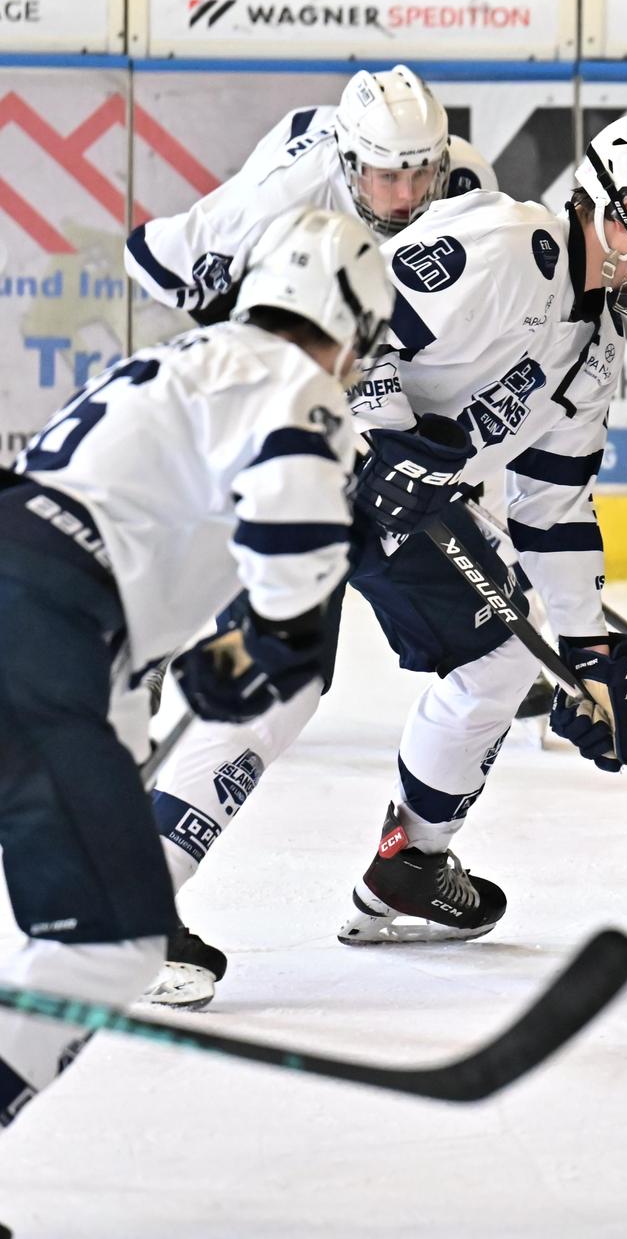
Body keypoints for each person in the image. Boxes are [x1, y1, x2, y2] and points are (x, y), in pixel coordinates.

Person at [140, 112, 627, 1007]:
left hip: (397, 502)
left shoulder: (593, 349)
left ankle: (410, 864)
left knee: (500, 653)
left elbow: (553, 506)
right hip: (299, 449)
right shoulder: (503, 243)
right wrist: (383, 440)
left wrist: (587, 651)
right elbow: (348, 312)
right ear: (625, 207)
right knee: (279, 677)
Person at [1, 208, 390, 1126]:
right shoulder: (296, 378)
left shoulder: (181, 363)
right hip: (37, 622)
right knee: (111, 944)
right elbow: (292, 503)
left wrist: (231, 647)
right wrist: (279, 637)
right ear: (349, 327)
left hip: (41, 603)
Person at [125, 63, 496, 325]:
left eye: (422, 174)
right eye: (387, 178)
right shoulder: (275, 200)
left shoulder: (468, 179)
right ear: (349, 162)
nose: (408, 196)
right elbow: (152, 259)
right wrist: (249, 333)